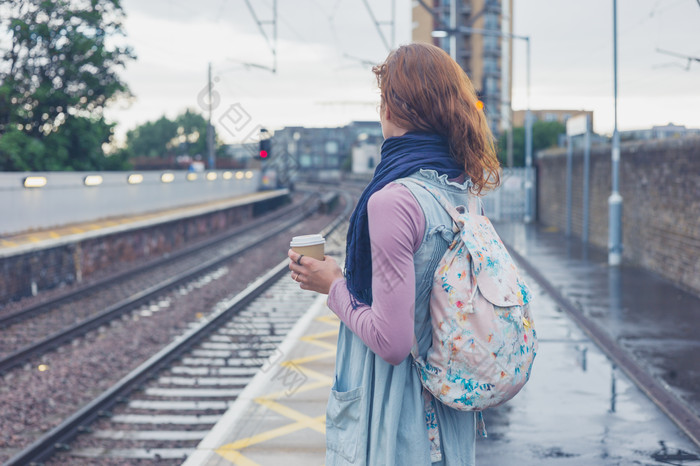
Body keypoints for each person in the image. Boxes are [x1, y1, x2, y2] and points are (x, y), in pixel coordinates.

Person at [288, 42, 501, 465]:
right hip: (447, 411)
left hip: (398, 419)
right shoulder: (458, 192)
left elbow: (392, 342)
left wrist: (333, 285)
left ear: (394, 107)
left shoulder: (392, 201)